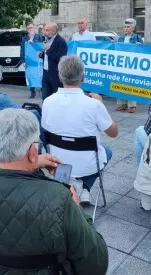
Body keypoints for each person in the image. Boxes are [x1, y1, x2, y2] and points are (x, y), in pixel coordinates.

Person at [0, 108, 109, 274]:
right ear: (32, 152)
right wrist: (76, 207)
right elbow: (97, 264)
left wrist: (33, 163)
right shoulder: (59, 198)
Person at [42, 55, 118, 204]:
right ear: (82, 77)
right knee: (107, 151)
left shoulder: (47, 102)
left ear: (59, 77)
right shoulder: (93, 105)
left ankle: (73, 185)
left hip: (59, 164)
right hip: (86, 166)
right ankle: (85, 188)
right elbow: (114, 132)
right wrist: (101, 105)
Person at [0, 67, 43, 148]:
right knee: (36, 113)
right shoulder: (1, 99)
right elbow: (22, 113)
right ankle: (41, 143)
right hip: (2, 141)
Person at [115, 18, 144, 113]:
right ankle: (122, 103)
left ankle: (132, 105)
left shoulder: (137, 37)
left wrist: (139, 46)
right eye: (125, 27)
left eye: (128, 27)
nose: (126, 28)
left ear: (133, 28)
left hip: (132, 65)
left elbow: (143, 50)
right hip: (122, 64)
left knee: (131, 83)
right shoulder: (120, 38)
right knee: (121, 83)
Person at [38, 22, 67, 100]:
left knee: (55, 99)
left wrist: (49, 50)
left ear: (53, 31)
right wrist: (42, 55)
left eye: (47, 30)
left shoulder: (60, 41)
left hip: (55, 76)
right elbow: (49, 56)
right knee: (45, 98)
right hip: (46, 74)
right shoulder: (47, 39)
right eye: (44, 30)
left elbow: (61, 59)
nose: (44, 32)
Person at [20, 21, 44, 99]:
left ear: (34, 28)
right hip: (29, 61)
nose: (30, 29)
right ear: (27, 29)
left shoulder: (39, 37)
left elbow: (41, 48)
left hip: (38, 60)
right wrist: (22, 61)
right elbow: (22, 50)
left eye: (31, 27)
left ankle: (42, 90)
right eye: (29, 28)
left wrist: (33, 43)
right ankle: (32, 92)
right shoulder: (24, 39)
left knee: (40, 75)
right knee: (30, 76)